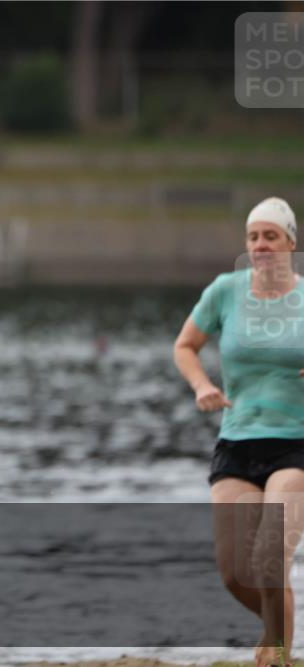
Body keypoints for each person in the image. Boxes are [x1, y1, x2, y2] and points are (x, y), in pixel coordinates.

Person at [173, 196, 304, 667]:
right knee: (235, 573)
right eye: (253, 237)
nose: (261, 246)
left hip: (295, 445)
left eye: (271, 236)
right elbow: (186, 345)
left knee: (272, 552)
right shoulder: (226, 291)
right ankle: (281, 632)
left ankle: (277, 646)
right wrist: (202, 384)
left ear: (291, 242)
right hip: (237, 442)